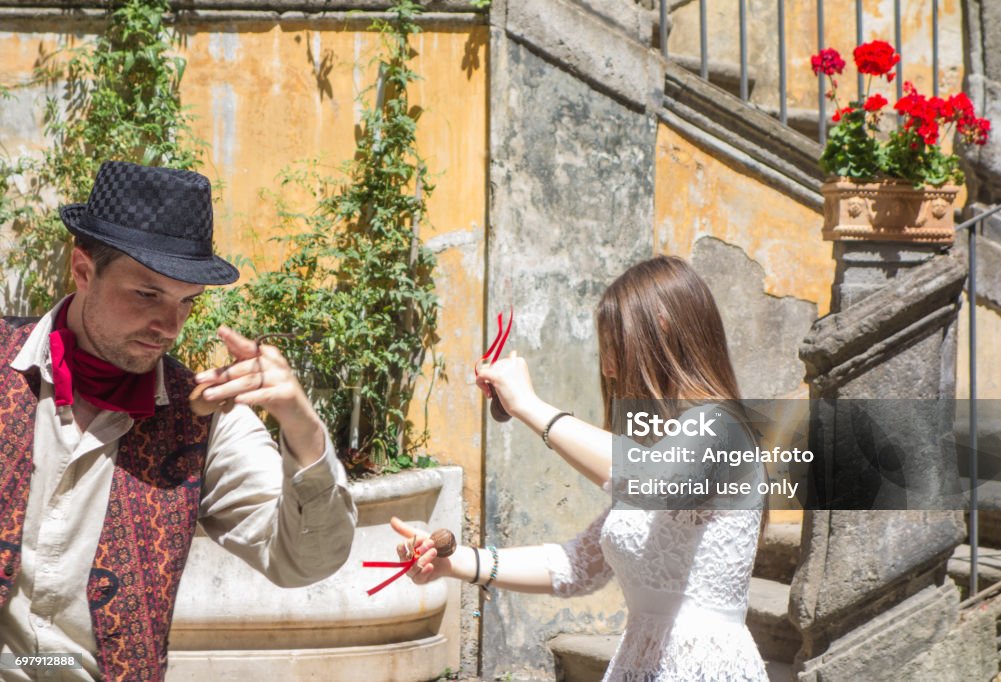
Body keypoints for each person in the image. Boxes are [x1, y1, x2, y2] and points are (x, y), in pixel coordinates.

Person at [0, 161, 357, 681]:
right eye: (146, 294)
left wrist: (301, 428)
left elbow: (305, 562)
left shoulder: (207, 418)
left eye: (187, 301)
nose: (169, 326)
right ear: (82, 270)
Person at [393, 256, 769, 681]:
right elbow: (575, 566)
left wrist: (529, 406)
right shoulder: (670, 443)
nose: (608, 368)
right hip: (638, 664)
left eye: (614, 345)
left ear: (661, 326)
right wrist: (455, 562)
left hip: (706, 669)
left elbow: (652, 478)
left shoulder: (725, 428)